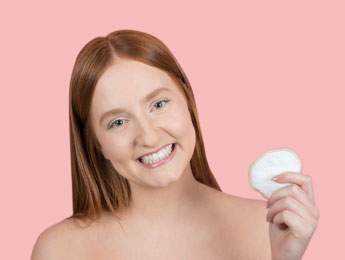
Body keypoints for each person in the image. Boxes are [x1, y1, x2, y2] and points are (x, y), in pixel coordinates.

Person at [31, 29, 319, 260]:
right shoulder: (59, 250)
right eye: (118, 122)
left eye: (159, 104)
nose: (149, 137)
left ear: (187, 101)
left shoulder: (268, 227)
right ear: (96, 144)